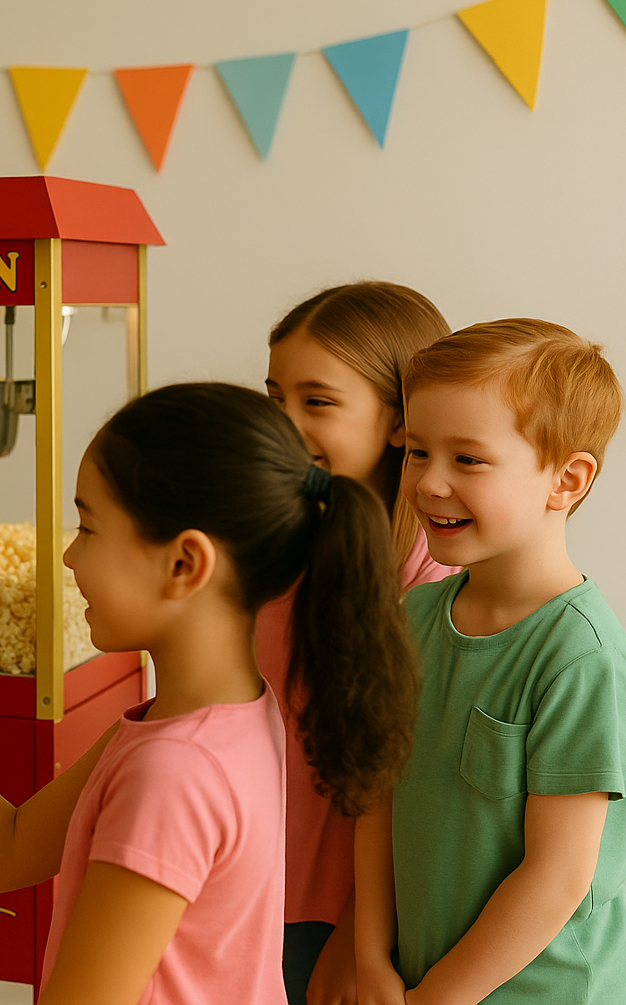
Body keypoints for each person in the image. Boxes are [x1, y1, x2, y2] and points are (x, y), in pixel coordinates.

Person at [0, 383, 420, 1005]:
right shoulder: (224, 718)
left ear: (184, 564)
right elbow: (6, 849)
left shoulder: (175, 772)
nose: (68, 556)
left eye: (88, 528)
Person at [357, 320, 626, 1005]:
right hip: (414, 981)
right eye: (418, 452)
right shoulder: (412, 618)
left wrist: (439, 996)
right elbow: (377, 798)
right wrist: (370, 953)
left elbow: (557, 877)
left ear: (567, 480)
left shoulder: (580, 656)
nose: (428, 482)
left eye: (468, 460)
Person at [260, 282, 459, 1005]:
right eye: (274, 397)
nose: (284, 426)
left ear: (401, 420)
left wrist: (355, 936)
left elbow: (418, 788)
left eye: (316, 401)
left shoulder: (432, 581)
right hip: (244, 884)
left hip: (343, 919)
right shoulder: (268, 550)